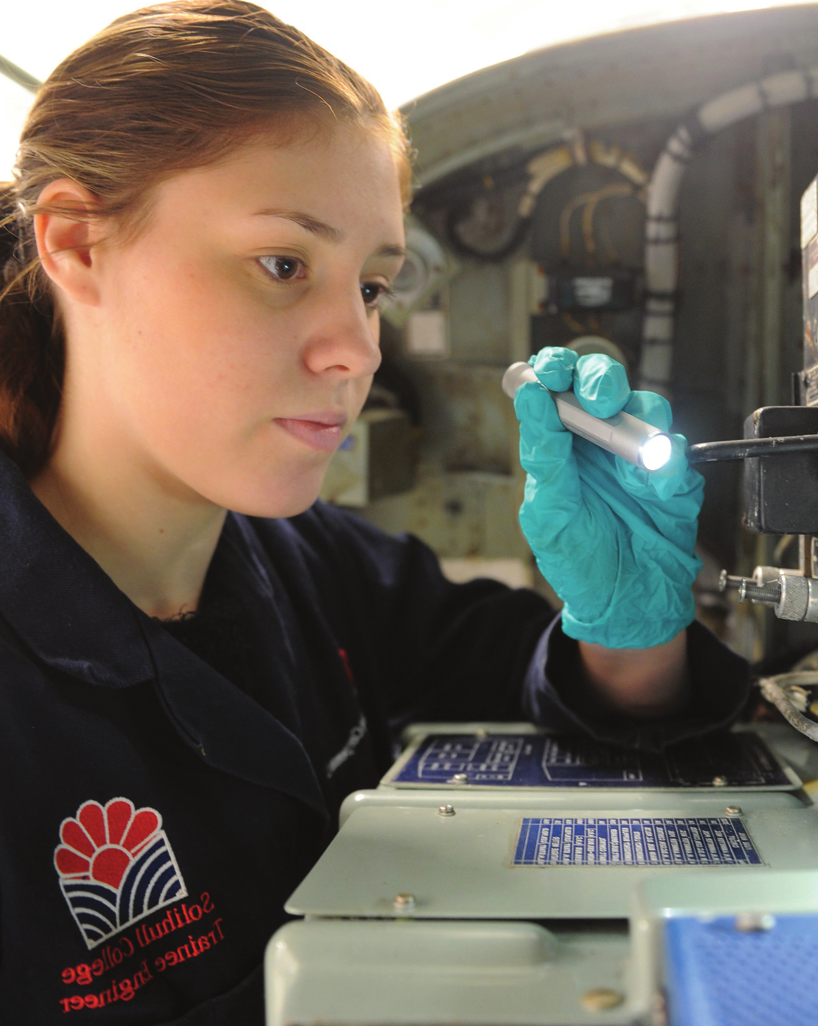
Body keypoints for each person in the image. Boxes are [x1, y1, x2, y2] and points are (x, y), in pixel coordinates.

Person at [0, 2, 749, 1021]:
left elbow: (568, 689)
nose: (354, 348)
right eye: (282, 265)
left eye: (372, 286)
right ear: (78, 244)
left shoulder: (313, 565)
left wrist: (632, 626)